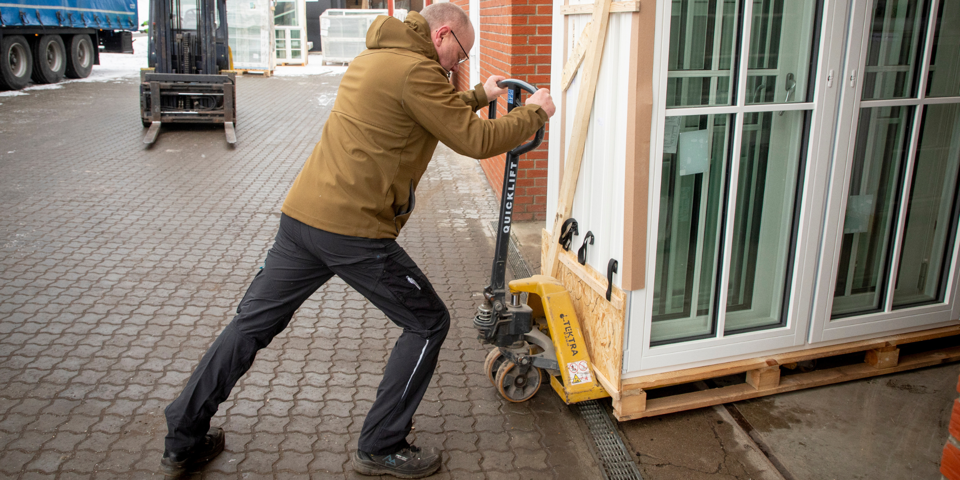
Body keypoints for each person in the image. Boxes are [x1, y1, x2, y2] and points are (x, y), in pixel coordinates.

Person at [158, 3, 554, 479]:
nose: (458, 63)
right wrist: (533, 114)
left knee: (250, 326)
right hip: (353, 232)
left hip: (303, 218)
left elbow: (425, 108)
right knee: (428, 322)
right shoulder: (417, 71)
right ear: (442, 34)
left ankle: (183, 432)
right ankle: (382, 443)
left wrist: (473, 94)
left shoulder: (377, 57)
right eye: (460, 53)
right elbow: (473, 140)